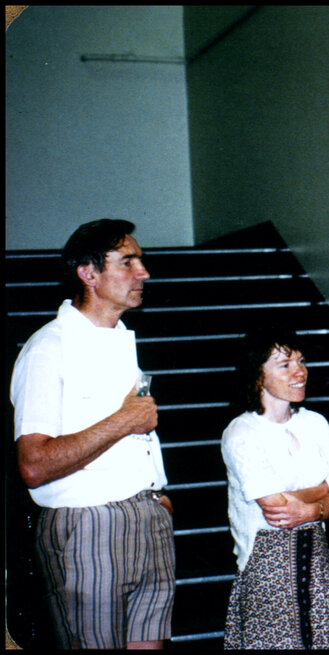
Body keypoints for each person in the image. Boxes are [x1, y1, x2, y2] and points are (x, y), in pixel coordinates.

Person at [10, 219, 174, 649]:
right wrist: (124, 420)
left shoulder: (121, 342)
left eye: (141, 261)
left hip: (147, 518)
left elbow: (138, 435)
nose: (144, 273)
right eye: (128, 262)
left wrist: (156, 497)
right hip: (87, 526)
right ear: (89, 273)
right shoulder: (48, 349)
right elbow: (33, 464)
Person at [221, 328, 329, 649]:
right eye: (285, 365)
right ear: (257, 376)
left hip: (315, 559)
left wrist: (313, 509)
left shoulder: (315, 423)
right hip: (267, 568)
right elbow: (277, 508)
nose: (300, 371)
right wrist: (324, 488)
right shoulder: (241, 433)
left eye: (301, 361)